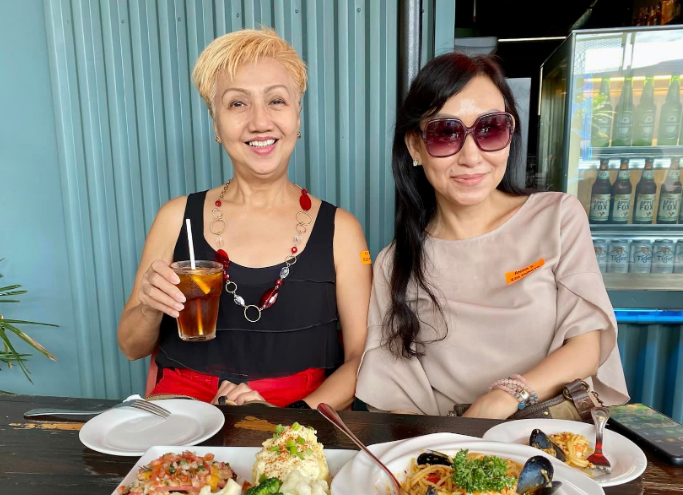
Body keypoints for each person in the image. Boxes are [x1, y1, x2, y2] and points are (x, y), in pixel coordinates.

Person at [356, 53, 628, 417]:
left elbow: (587, 345)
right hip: (450, 443)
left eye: (490, 129)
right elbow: (394, 396)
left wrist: (503, 398)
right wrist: (457, 442)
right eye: (445, 133)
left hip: (551, 436)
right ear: (415, 146)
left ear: (510, 134)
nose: (471, 156)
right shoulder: (395, 263)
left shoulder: (557, 217)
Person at [118, 28, 371, 408]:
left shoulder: (342, 231)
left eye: (276, 100)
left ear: (297, 116)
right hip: (183, 417)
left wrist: (286, 425)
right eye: (237, 104)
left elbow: (361, 360)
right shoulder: (175, 218)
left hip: (299, 422)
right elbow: (131, 346)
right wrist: (150, 306)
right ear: (216, 125)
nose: (260, 121)